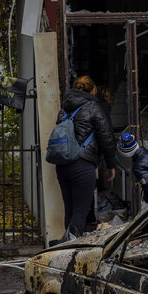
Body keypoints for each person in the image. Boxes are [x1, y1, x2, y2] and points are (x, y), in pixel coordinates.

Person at [54, 76, 116, 241]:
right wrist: (111, 164)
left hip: (62, 164)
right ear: (93, 90)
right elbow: (106, 136)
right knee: (81, 212)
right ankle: (68, 247)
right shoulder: (93, 106)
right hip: (82, 164)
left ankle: (67, 245)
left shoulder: (64, 108)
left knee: (71, 210)